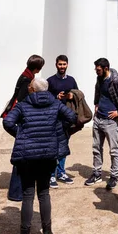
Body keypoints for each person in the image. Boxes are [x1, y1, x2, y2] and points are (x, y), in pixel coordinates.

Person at [3, 77, 76, 234]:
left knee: (28, 194)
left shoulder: (23, 105)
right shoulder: (55, 104)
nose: (28, 87)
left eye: (30, 86)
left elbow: (7, 122)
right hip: (48, 155)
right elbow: (72, 117)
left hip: (27, 155)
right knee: (44, 193)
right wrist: (56, 129)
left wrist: (21, 134)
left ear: (33, 90)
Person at [2, 54, 45, 202]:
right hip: (22, 122)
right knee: (21, 157)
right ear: (37, 68)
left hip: (21, 121)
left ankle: (18, 191)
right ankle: (16, 192)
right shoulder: (27, 79)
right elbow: (22, 100)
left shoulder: (25, 75)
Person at [85, 58, 118, 190]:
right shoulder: (99, 78)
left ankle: (114, 176)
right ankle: (97, 173)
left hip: (111, 121)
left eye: (98, 69)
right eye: (96, 69)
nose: (96, 72)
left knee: (114, 151)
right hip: (98, 119)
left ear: (106, 68)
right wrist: (96, 104)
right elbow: (98, 91)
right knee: (96, 148)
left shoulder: (116, 80)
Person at [47, 55, 79, 187]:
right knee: (53, 146)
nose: (62, 67)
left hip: (67, 119)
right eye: (60, 64)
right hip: (54, 118)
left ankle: (60, 172)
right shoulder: (50, 81)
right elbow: (45, 98)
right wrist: (56, 97)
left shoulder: (71, 80)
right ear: (56, 65)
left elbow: (79, 94)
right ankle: (51, 175)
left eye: (64, 64)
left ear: (67, 65)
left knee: (64, 147)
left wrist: (73, 95)